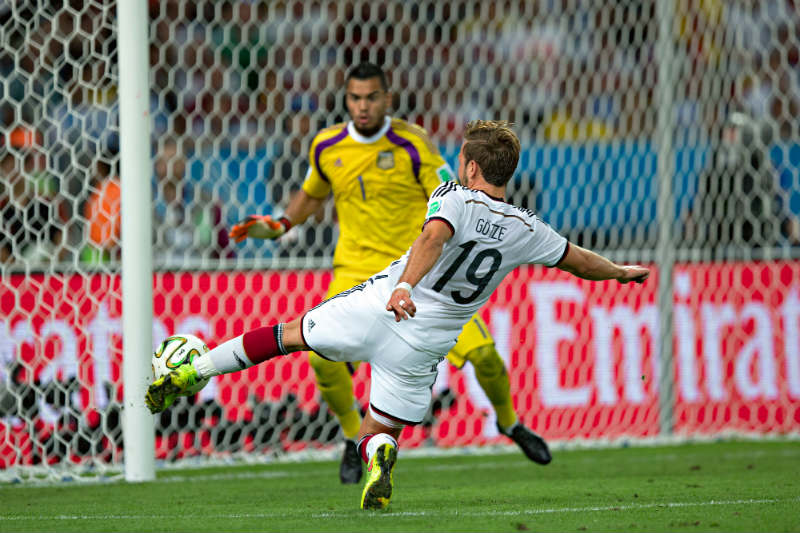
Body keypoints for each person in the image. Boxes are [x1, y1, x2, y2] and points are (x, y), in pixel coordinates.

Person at [146, 120, 650, 510]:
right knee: (377, 431)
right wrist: (621, 273)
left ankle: (194, 371)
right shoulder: (528, 228)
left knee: (288, 335)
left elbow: (434, 236)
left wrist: (405, 284)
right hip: (427, 345)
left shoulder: (454, 196)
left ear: (471, 168)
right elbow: (580, 261)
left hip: (384, 305)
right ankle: (379, 457)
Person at [228, 62, 552, 484]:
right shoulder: (327, 146)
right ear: (346, 100)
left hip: (418, 271)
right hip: (354, 269)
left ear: (387, 99)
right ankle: (350, 436)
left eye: (371, 98)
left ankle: (510, 424)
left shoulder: (413, 143)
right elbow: (311, 195)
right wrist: (279, 226)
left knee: (484, 356)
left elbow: (452, 192)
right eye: (355, 98)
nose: (363, 107)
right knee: (320, 360)